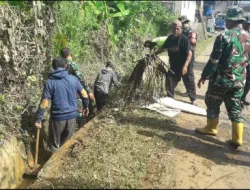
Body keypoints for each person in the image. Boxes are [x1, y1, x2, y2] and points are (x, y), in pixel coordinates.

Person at [195, 7, 250, 147]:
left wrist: (204, 76)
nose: (225, 22)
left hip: (221, 80)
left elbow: (214, 60)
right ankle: (237, 138)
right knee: (235, 107)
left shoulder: (223, 36)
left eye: (226, 20)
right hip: (239, 81)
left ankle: (211, 128)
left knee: (212, 102)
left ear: (231, 20)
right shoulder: (248, 38)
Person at [35, 57, 89, 152]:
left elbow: (45, 102)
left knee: (54, 145)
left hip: (57, 118)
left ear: (53, 67)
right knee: (66, 145)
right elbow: (84, 94)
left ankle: (51, 164)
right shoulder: (74, 79)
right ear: (66, 66)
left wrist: (39, 118)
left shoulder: (50, 82)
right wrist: (86, 106)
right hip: (72, 116)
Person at [154, 20, 197, 105]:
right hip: (174, 64)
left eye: (177, 29)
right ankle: (169, 98)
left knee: (188, 80)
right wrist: (154, 54)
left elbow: (189, 53)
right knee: (170, 79)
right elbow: (163, 48)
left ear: (180, 29)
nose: (175, 31)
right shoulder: (170, 38)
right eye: (173, 29)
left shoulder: (184, 39)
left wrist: (185, 66)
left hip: (186, 63)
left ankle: (193, 99)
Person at [178, 15, 198, 97]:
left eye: (184, 23)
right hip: (181, 54)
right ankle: (188, 91)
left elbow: (193, 43)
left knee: (189, 75)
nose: (184, 24)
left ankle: (192, 95)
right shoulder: (182, 31)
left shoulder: (190, 31)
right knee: (184, 74)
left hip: (189, 54)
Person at [241, 16, 250, 105]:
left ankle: (243, 96)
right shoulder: (241, 34)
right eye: (247, 24)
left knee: (248, 81)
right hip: (241, 61)